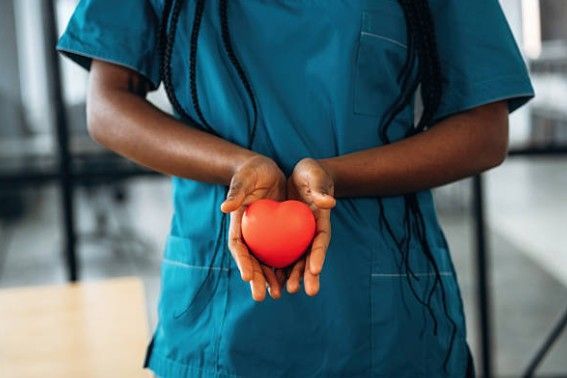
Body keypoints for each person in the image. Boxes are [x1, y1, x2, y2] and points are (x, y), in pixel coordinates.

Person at [57, 0, 534, 376]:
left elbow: (484, 130)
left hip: (385, 317)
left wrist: (333, 176)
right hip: (215, 312)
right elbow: (107, 107)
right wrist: (239, 166)